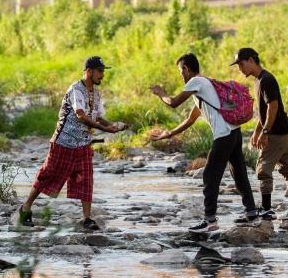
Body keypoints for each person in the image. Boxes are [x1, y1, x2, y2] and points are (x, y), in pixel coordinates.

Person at [148, 52, 260, 233]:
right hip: (234, 133)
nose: (181, 76)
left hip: (224, 135)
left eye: (180, 71)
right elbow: (191, 119)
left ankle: (209, 220)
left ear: (186, 68)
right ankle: (252, 213)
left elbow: (174, 102)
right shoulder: (203, 86)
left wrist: (160, 93)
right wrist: (169, 134)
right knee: (238, 173)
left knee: (209, 175)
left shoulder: (196, 82)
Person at [16, 56, 128, 231]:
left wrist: (112, 126)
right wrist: (105, 129)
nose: (102, 75)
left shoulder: (96, 94)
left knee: (87, 179)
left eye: (103, 71)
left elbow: (96, 116)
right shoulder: (75, 90)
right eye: (100, 71)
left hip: (83, 143)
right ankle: (26, 208)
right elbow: (81, 115)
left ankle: (87, 219)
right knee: (48, 175)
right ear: (89, 71)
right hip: (63, 141)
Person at [231, 47, 288, 220]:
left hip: (277, 133)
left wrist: (265, 131)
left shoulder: (266, 80)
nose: (240, 69)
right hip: (284, 131)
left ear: (251, 60)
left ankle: (266, 208)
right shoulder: (259, 80)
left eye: (241, 64)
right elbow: (263, 111)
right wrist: (257, 132)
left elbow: (273, 106)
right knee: (287, 168)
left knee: (263, 169)